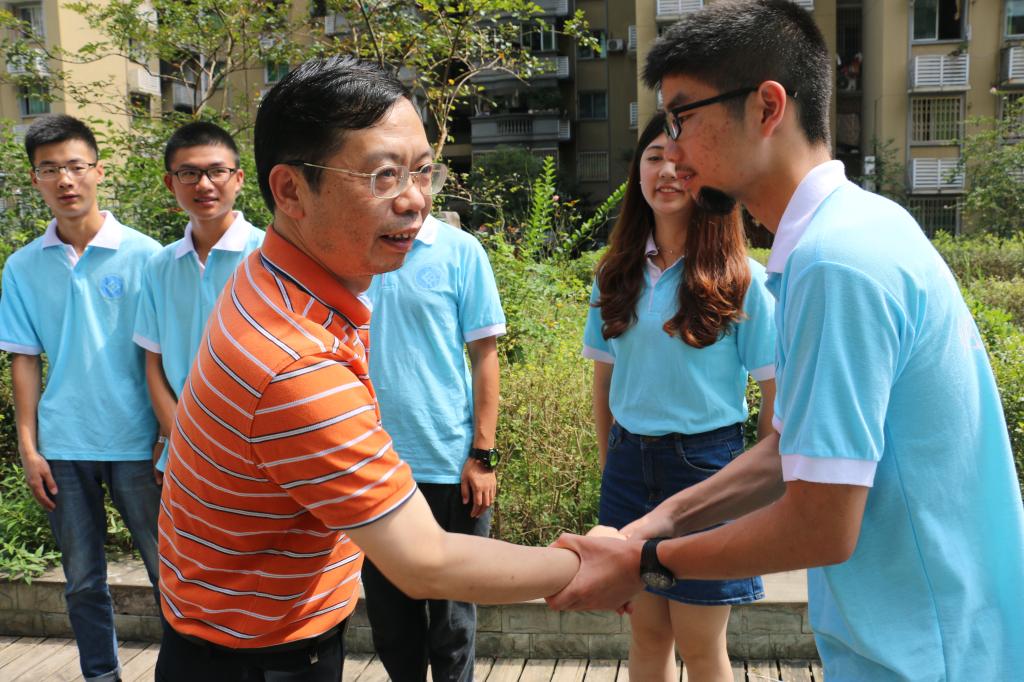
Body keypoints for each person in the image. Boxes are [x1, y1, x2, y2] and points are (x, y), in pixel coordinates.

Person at [547, 2, 1024, 680]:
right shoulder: (853, 230)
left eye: (682, 118)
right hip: (922, 636)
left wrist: (645, 561)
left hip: (925, 652)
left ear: (767, 108)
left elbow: (821, 523)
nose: (671, 151)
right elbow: (788, 450)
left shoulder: (837, 264)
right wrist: (651, 527)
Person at [154, 57, 580, 682]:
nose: (415, 200)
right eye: (383, 176)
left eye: (423, 171)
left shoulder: (270, 274)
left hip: (236, 629)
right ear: (290, 191)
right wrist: (590, 563)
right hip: (255, 657)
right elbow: (424, 561)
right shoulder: (296, 363)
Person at [583, 115, 776, 682]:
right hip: (628, 466)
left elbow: (773, 392)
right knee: (647, 634)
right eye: (653, 158)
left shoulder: (742, 278)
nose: (666, 171)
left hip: (706, 469)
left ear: (705, 176)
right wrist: (610, 464)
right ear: (637, 173)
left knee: (700, 642)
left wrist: (755, 488)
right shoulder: (615, 274)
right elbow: (604, 383)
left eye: (680, 161)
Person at [0, 114, 162, 682]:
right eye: (50, 169)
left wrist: (168, 434)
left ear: (98, 170)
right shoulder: (23, 265)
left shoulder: (147, 256)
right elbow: (24, 358)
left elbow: (163, 356)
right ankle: (101, 675)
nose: (65, 180)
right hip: (63, 445)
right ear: (35, 179)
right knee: (83, 580)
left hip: (139, 441)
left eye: (75, 166)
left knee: (169, 571)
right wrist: (30, 448)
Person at [362, 211, 505, 682]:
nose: (408, 186)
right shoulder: (352, 246)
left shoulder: (460, 251)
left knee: (453, 626)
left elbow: (485, 355)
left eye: (421, 175)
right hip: (372, 465)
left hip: (448, 464)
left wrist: (482, 455)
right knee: (391, 625)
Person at [133, 121, 264, 480]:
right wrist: (177, 436)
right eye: (189, 173)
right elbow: (154, 362)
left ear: (238, 179)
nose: (204, 185)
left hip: (260, 451)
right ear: (170, 183)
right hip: (185, 450)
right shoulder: (160, 266)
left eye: (217, 172)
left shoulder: (270, 258)